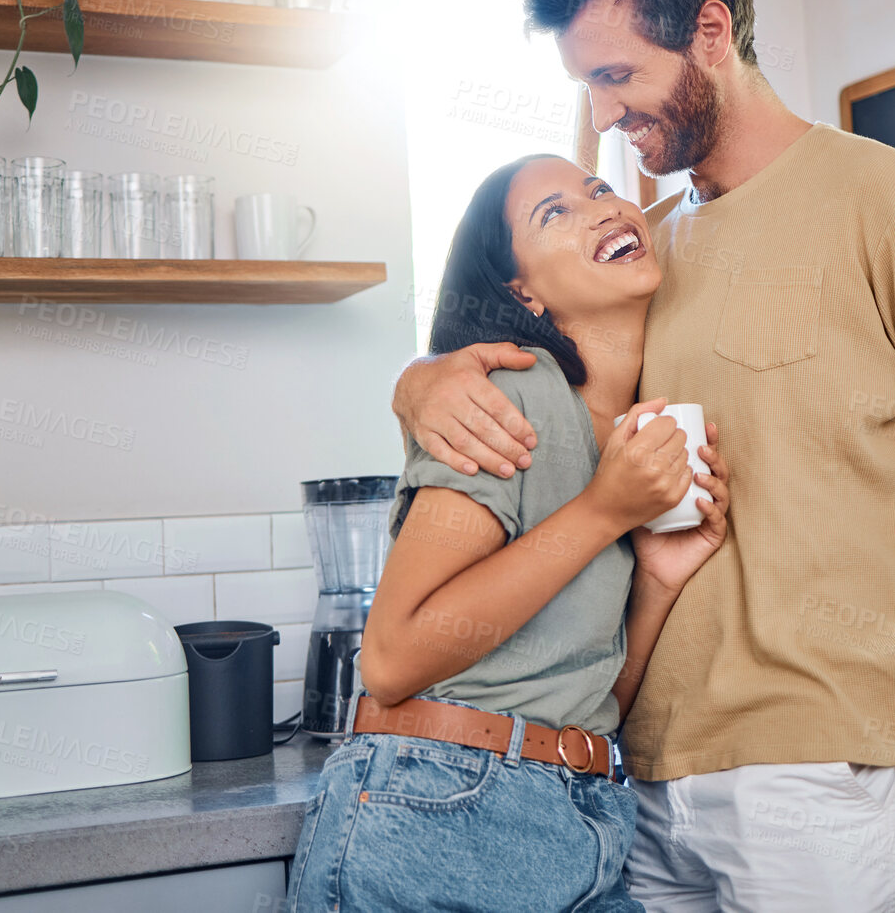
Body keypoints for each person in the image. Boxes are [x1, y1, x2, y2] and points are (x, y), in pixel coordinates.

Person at [392, 0, 895, 912]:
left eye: (616, 76)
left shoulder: (892, 205)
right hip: (640, 788)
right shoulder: (644, 249)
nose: (602, 116)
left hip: (827, 788)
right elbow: (534, 390)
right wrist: (416, 381)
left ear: (711, 33)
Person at [285, 154, 732, 913]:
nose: (601, 206)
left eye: (597, 188)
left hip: (577, 816)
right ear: (520, 290)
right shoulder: (506, 396)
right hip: (438, 816)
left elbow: (577, 700)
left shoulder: (620, 442)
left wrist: (654, 573)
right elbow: (391, 659)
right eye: (552, 212)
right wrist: (603, 511)